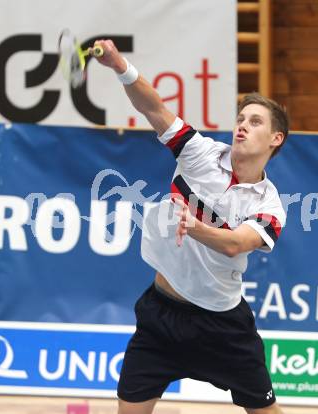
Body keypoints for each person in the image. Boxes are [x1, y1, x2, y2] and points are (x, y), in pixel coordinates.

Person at [90, 39, 289, 414]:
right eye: (241, 118)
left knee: (264, 411)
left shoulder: (270, 204)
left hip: (223, 326)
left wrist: (193, 225)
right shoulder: (200, 153)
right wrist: (120, 66)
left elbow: (235, 244)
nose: (242, 126)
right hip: (160, 314)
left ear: (275, 139)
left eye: (255, 121)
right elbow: (154, 108)